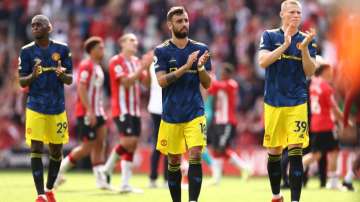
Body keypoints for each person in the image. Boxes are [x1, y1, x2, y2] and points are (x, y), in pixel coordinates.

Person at [257, 0, 317, 201]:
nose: (296, 15)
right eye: (292, 12)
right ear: (282, 14)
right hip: (273, 102)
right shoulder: (269, 35)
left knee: (296, 150)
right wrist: (285, 45)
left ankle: (295, 200)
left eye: (299, 12)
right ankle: (276, 195)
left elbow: (310, 72)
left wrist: (305, 49)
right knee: (273, 151)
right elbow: (263, 62)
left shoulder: (307, 39)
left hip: (297, 103)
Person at [154, 6, 211, 202]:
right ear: (170, 25)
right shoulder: (161, 51)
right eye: (179, 21)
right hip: (171, 114)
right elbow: (161, 81)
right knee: (174, 160)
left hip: (195, 111)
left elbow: (207, 83)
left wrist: (200, 67)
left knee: (195, 154)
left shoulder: (201, 48)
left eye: (186, 20)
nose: (184, 24)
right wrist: (186, 67)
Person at [18, 15, 73, 202]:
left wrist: (62, 75)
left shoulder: (62, 49)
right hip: (35, 106)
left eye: (38, 25)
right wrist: (32, 76)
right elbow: (21, 81)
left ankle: (49, 189)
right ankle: (40, 194)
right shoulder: (26, 52)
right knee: (36, 147)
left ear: (49, 28)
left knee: (56, 151)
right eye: (32, 25)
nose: (34, 27)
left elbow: (70, 79)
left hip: (57, 108)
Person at [54, 36, 108, 189]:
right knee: (87, 147)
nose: (103, 50)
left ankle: (100, 180)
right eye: (100, 47)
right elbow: (81, 88)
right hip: (86, 112)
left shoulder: (98, 66)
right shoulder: (86, 65)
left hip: (99, 111)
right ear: (91, 50)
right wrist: (89, 110)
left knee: (100, 143)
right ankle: (58, 172)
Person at [100, 33, 149, 193]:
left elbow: (146, 84)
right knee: (127, 142)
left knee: (133, 144)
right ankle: (106, 168)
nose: (135, 43)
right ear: (122, 43)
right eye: (131, 40)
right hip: (121, 109)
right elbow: (126, 83)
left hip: (134, 110)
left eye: (136, 40)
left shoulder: (136, 62)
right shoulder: (116, 61)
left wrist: (146, 68)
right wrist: (142, 67)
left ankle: (125, 183)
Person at [207, 63, 251, 185]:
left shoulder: (232, 84)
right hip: (217, 121)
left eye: (224, 73)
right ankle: (216, 179)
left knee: (222, 148)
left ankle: (245, 167)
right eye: (221, 72)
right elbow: (210, 88)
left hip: (227, 122)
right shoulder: (220, 85)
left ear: (229, 74)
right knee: (216, 149)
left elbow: (215, 85)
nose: (222, 74)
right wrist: (209, 79)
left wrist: (210, 77)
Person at [302, 63, 343, 189]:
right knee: (329, 152)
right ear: (324, 71)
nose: (332, 74)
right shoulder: (326, 87)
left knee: (321, 153)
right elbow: (334, 108)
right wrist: (344, 120)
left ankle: (333, 182)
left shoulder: (314, 85)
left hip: (316, 123)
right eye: (330, 71)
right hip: (326, 124)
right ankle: (296, 166)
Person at [145, 51, 169, 188]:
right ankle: (166, 179)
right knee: (167, 144)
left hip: (154, 107)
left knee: (157, 144)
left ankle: (153, 178)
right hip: (163, 107)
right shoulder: (165, 63)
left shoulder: (153, 64)